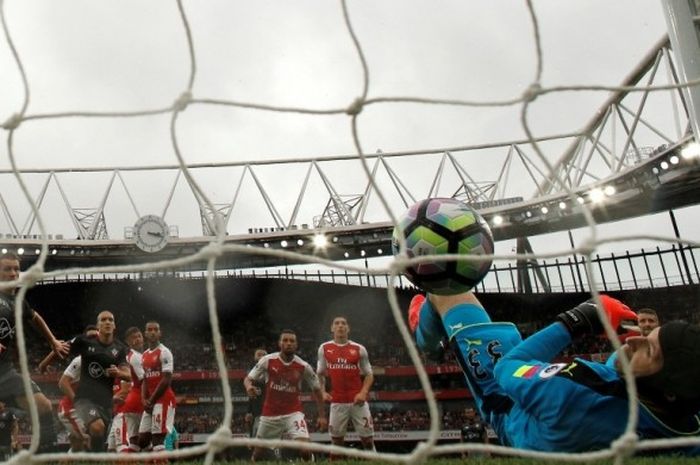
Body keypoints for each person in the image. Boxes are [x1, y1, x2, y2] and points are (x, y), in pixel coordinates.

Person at [409, 291, 700, 453]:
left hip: (512, 408)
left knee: (448, 291)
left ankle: (426, 337)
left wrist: (578, 319)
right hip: (569, 410)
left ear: (670, 391)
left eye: (649, 350)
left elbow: (506, 367)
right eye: (648, 335)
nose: (634, 339)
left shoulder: (578, 393)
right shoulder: (687, 425)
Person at [0, 252, 70, 451]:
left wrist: (53, 341)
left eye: (16, 268)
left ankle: (45, 456)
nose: (13, 273)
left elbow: (35, 317)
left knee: (44, 406)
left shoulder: (17, 301)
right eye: (7, 269)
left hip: (4, 372)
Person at [244, 329, 328, 462]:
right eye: (285, 340)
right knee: (257, 454)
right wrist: (249, 387)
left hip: (293, 413)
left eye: (292, 341)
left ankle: (310, 460)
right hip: (270, 414)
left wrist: (322, 417)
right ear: (280, 343)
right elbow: (248, 378)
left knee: (305, 450)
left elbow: (317, 390)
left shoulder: (303, 366)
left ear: (296, 344)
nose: (288, 343)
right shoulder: (267, 360)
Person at [67, 310, 130, 451]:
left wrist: (118, 372)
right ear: (98, 326)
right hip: (84, 399)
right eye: (103, 320)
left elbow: (128, 375)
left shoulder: (120, 349)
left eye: (110, 320)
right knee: (98, 427)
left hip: (105, 402)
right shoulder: (85, 342)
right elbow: (62, 348)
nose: (107, 322)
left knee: (99, 437)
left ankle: (93, 457)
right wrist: (45, 363)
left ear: (114, 326)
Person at [316, 316, 375, 451]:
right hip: (337, 402)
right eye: (337, 323)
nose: (340, 326)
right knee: (336, 443)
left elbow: (369, 374)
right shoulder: (324, 348)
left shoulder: (359, 348)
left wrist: (363, 393)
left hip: (358, 402)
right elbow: (319, 373)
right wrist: (323, 391)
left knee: (368, 441)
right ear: (332, 328)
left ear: (348, 328)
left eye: (343, 323)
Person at [56, 325, 100, 452]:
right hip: (70, 409)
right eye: (90, 337)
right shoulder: (80, 360)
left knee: (77, 446)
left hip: (84, 408)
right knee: (88, 440)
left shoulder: (102, 360)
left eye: (96, 337)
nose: (93, 341)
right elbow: (62, 383)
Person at [138, 321, 176, 454]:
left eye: (156, 330)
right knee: (142, 440)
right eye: (150, 330)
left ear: (160, 333)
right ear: (145, 333)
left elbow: (166, 379)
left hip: (163, 399)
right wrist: (143, 399)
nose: (153, 332)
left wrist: (151, 400)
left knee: (158, 440)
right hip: (150, 402)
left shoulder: (165, 352)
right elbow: (145, 380)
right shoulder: (144, 355)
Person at [111, 326, 145, 453]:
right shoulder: (132, 357)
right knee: (150, 440)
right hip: (136, 402)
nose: (137, 339)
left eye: (139, 336)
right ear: (128, 342)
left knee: (133, 442)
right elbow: (143, 381)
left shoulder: (138, 356)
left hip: (130, 405)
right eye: (133, 338)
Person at [244, 348, 268, 438]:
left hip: (270, 411)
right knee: (255, 436)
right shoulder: (251, 374)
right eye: (259, 354)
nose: (261, 356)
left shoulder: (271, 371)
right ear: (255, 357)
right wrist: (248, 411)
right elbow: (251, 396)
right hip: (257, 413)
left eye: (263, 355)